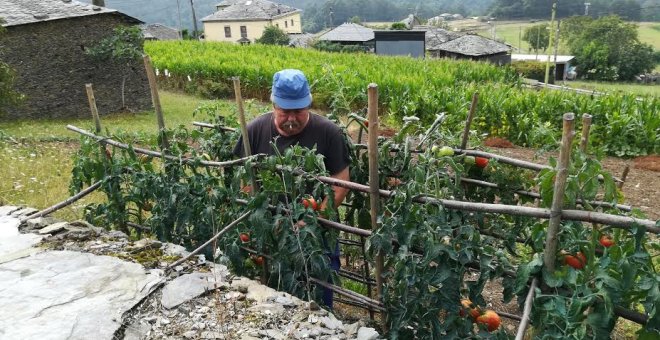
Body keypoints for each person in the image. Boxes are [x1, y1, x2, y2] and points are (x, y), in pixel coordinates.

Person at [233, 69, 350, 308]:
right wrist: (266, 219)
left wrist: (314, 217)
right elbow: (244, 180)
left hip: (317, 227)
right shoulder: (254, 131)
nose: (291, 118)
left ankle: (322, 321)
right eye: (285, 111)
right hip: (273, 226)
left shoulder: (328, 132)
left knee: (321, 274)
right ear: (274, 104)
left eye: (298, 111)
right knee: (276, 279)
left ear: (309, 104)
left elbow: (340, 181)